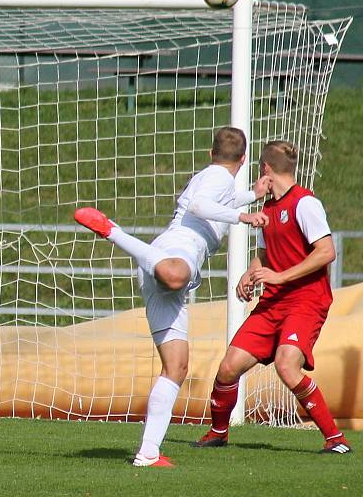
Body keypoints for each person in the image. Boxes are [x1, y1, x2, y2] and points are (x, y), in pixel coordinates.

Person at [74, 126, 270, 467]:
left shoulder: (214, 177)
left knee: (177, 365)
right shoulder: (219, 178)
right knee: (176, 275)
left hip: (165, 260)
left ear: (212, 153)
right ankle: (113, 231)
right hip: (178, 251)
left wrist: (251, 195)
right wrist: (244, 215)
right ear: (243, 158)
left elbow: (211, 203)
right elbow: (199, 205)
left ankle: (148, 452)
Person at [194, 140, 352, 454]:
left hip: (306, 300)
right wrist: (250, 273)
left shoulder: (305, 203)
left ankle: (336, 440)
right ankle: (218, 433)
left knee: (286, 364)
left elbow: (326, 252)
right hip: (273, 303)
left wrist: (279, 276)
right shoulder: (268, 207)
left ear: (265, 168)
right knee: (228, 367)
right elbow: (265, 255)